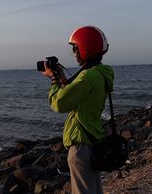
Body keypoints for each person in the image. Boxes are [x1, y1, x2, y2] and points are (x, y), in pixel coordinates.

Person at [42, 26, 115, 194]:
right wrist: (61, 77)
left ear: (85, 48)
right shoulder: (100, 73)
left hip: (81, 146)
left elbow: (59, 103)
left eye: (75, 49)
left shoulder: (88, 76)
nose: (75, 54)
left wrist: (53, 79)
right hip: (93, 141)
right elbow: (76, 94)